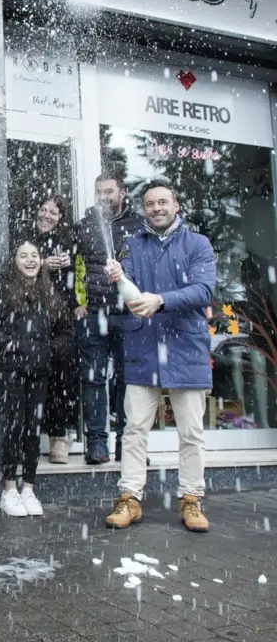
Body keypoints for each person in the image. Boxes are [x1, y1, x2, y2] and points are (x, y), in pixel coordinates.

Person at [105, 181, 215, 534]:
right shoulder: (132, 245)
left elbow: (203, 289)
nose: (156, 208)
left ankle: (191, 500)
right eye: (150, 203)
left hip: (186, 349)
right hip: (143, 350)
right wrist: (120, 280)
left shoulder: (198, 244)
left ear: (176, 205)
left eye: (162, 202)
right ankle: (129, 498)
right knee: (134, 430)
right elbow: (132, 295)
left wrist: (161, 300)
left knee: (192, 432)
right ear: (145, 209)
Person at [0, 240, 74, 517]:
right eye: (24, 256)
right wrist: (7, 345)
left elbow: (67, 333)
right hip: (12, 371)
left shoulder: (50, 292)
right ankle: (9, 490)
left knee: (34, 430)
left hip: (40, 371)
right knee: (14, 428)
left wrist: (49, 351)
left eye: (35, 256)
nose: (30, 260)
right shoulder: (3, 291)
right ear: (15, 262)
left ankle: (29, 488)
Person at [74, 174, 143, 464]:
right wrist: (75, 303)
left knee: (127, 380)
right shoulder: (84, 225)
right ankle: (96, 445)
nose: (104, 197)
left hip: (128, 313)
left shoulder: (140, 226)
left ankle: (126, 445)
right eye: (99, 192)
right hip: (93, 313)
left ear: (122, 193)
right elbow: (73, 268)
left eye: (109, 192)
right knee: (93, 380)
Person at [29, 196, 80, 465]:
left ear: (61, 218)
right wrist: (41, 266)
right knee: (34, 378)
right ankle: (31, 437)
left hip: (60, 318)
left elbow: (77, 278)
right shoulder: (24, 240)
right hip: (31, 316)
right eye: (43, 209)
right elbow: (15, 269)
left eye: (53, 212)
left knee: (62, 378)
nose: (46, 215)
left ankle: (59, 436)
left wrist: (78, 304)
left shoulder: (67, 241)